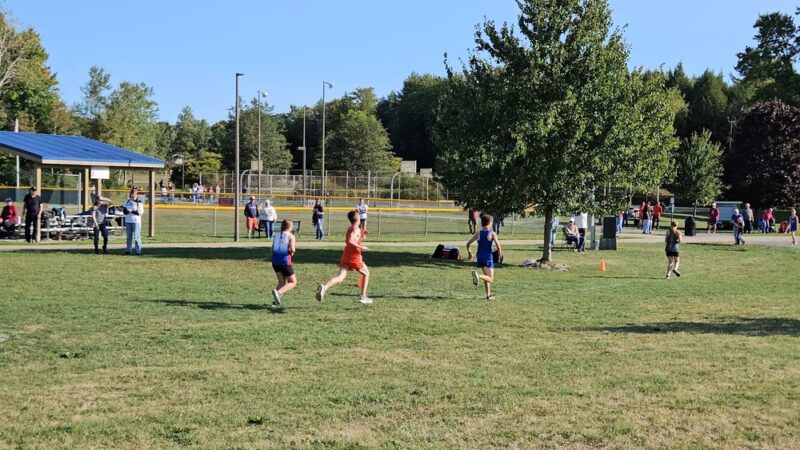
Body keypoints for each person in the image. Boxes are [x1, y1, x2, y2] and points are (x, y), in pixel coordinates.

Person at [316, 210, 372, 304]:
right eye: (358, 214)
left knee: (340, 277)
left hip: (346, 255)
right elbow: (350, 241)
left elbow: (354, 239)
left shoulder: (351, 228)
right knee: (366, 274)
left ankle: (324, 288)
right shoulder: (355, 229)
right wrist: (361, 247)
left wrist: (362, 234)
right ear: (357, 218)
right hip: (354, 257)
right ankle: (363, 297)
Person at [466, 214, 503, 301]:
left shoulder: (478, 233)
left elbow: (468, 244)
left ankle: (488, 295)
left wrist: (470, 253)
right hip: (488, 258)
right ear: (489, 223)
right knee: (490, 279)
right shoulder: (492, 233)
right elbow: (498, 246)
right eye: (492, 222)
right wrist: (500, 254)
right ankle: (478, 276)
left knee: (487, 276)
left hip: (480, 257)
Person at [271, 219, 297, 306]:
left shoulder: (277, 235)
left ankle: (276, 302)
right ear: (289, 227)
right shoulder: (291, 236)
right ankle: (279, 293)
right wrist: (292, 251)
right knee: (293, 282)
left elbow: (272, 249)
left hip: (275, 262)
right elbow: (292, 249)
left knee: (282, 282)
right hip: (284, 261)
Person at [123, 187, 143, 255]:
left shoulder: (139, 202)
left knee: (137, 237)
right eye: (132, 193)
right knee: (129, 237)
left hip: (136, 221)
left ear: (137, 194)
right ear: (130, 194)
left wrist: (131, 211)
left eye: (135, 194)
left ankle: (138, 251)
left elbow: (140, 213)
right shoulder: (127, 201)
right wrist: (127, 211)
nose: (133, 195)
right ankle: (128, 250)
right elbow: (124, 212)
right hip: (128, 221)